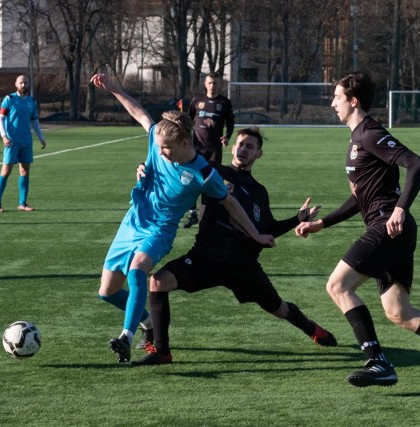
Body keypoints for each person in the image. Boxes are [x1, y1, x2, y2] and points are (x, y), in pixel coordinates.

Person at [295, 71, 420, 387]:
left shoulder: (370, 133)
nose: (332, 103)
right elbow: (359, 197)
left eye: (337, 97)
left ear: (353, 100)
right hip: (393, 228)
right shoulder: (356, 138)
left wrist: (400, 208)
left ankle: (377, 362)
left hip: (389, 225)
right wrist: (322, 223)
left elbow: (417, 164)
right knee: (398, 311)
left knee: (337, 286)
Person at [89, 73, 275, 364]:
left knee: (138, 271)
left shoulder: (203, 174)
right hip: (133, 222)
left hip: (160, 231)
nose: (160, 152)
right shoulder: (159, 140)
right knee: (107, 292)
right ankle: (148, 322)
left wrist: (256, 235)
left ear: (186, 143)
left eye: (166, 149)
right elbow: (139, 113)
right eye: (159, 147)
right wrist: (115, 89)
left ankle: (126, 336)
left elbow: (231, 204)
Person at [130, 127, 337, 366]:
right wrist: (145, 166)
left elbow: (266, 229)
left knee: (279, 309)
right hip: (206, 256)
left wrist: (296, 220)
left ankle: (312, 329)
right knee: (159, 281)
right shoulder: (213, 171)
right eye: (240, 144)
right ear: (231, 147)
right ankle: (162, 352)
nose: (243, 149)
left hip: (243, 265)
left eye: (250, 146)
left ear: (259, 154)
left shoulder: (259, 192)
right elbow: (175, 156)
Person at [182, 72, 235, 228]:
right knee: (191, 178)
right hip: (196, 148)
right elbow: (187, 119)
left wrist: (227, 137)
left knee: (210, 180)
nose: (213, 86)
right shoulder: (197, 100)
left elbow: (230, 123)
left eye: (215, 83)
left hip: (214, 150)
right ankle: (192, 214)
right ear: (205, 84)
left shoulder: (224, 102)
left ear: (219, 84)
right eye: (210, 83)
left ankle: (208, 214)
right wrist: (185, 138)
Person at [0, 75, 46, 213]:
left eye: (26, 83)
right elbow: (1, 120)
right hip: (12, 141)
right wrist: (4, 136)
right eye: (21, 82)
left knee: (25, 171)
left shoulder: (32, 101)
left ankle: (22, 203)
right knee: (6, 171)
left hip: (26, 141)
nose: (23, 85)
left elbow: (35, 121)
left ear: (28, 85)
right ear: (16, 84)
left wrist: (41, 138)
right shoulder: (9, 99)